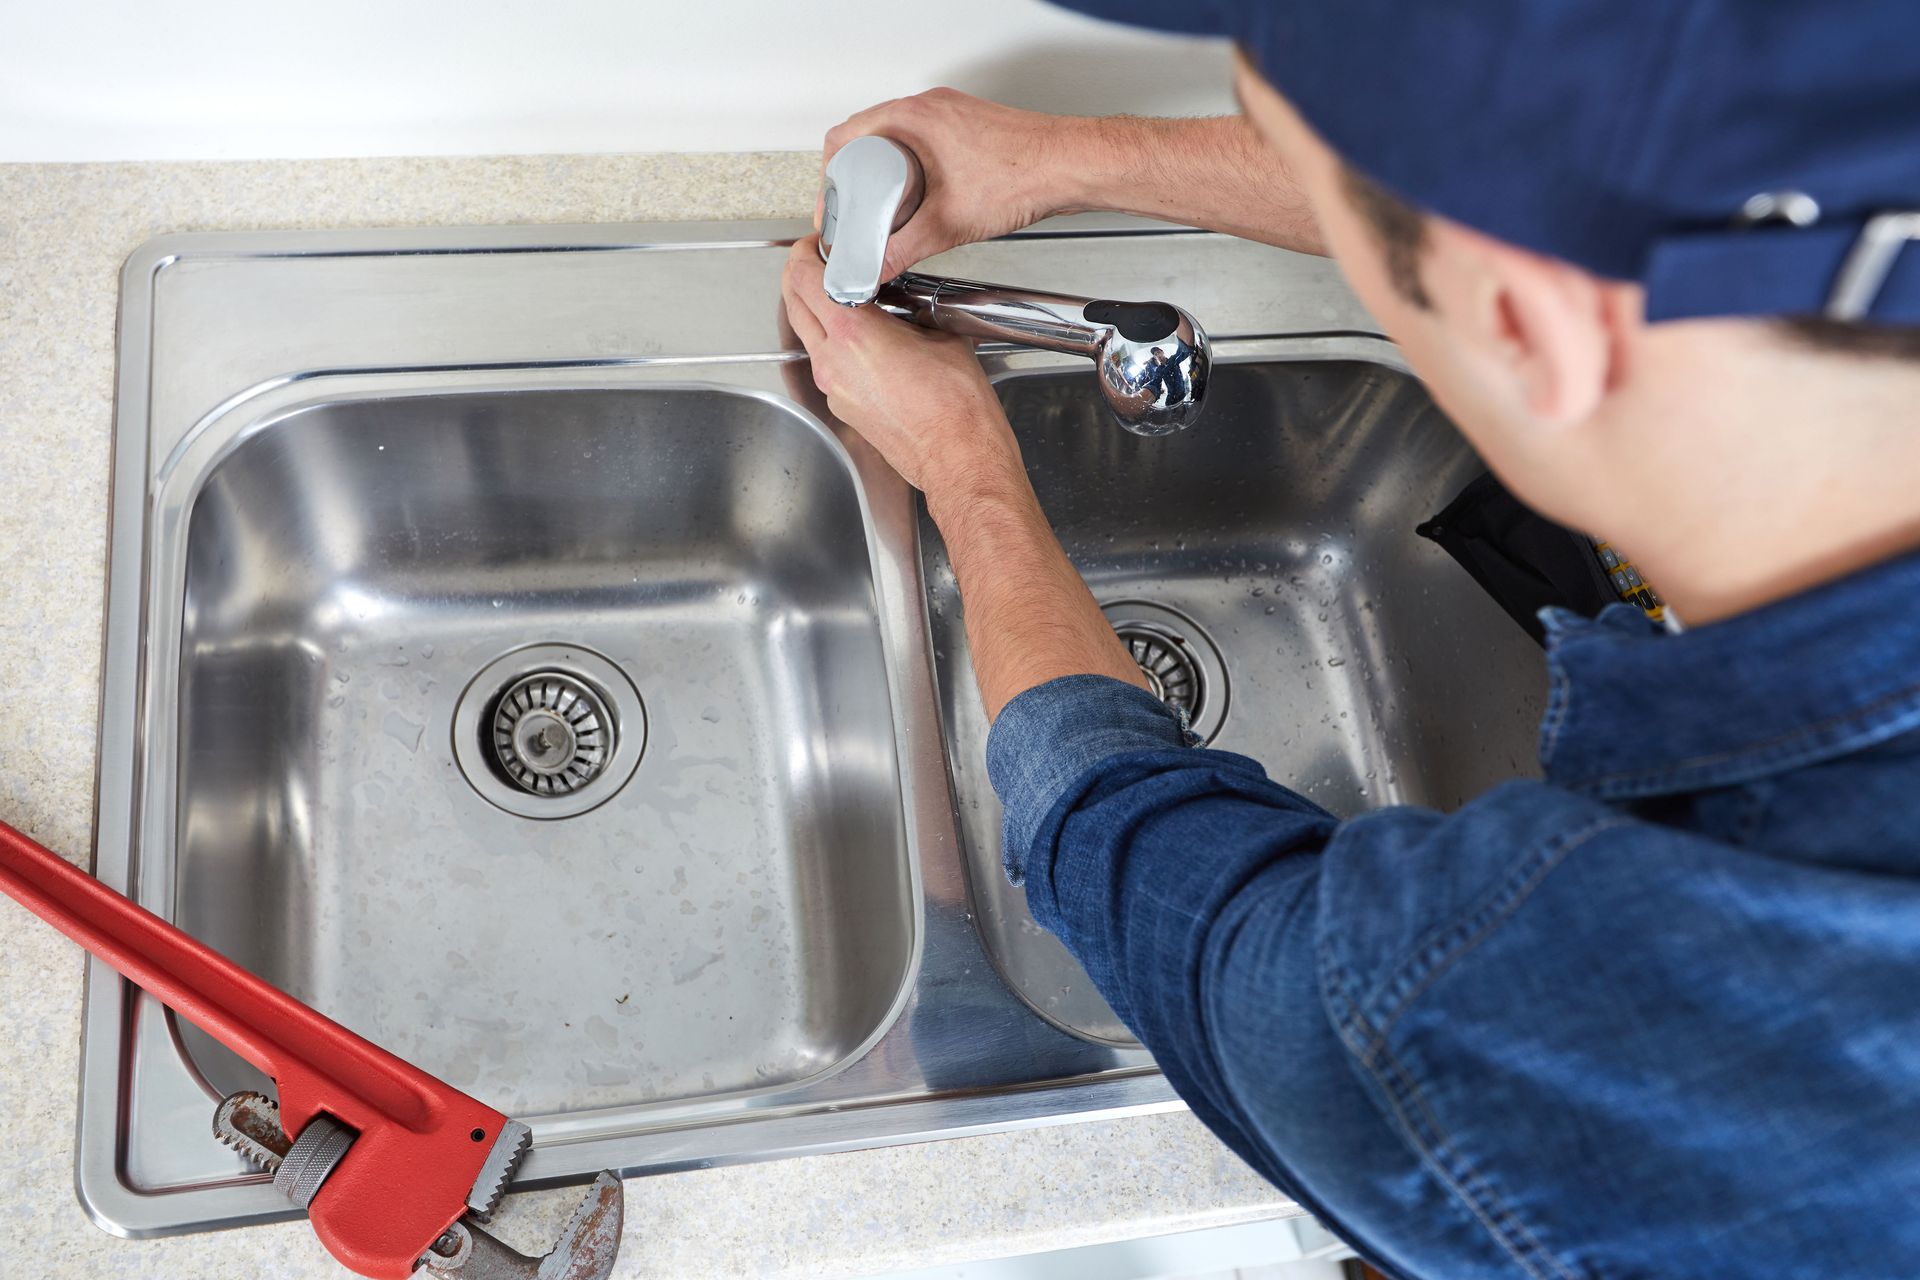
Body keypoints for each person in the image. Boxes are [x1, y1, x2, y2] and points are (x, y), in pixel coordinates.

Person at [779, 3, 1920, 1276]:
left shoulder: (1552, 1018)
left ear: (1529, 328)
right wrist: (1064, 158)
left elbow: (1133, 846)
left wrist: (963, 465)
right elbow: (1470, 211)